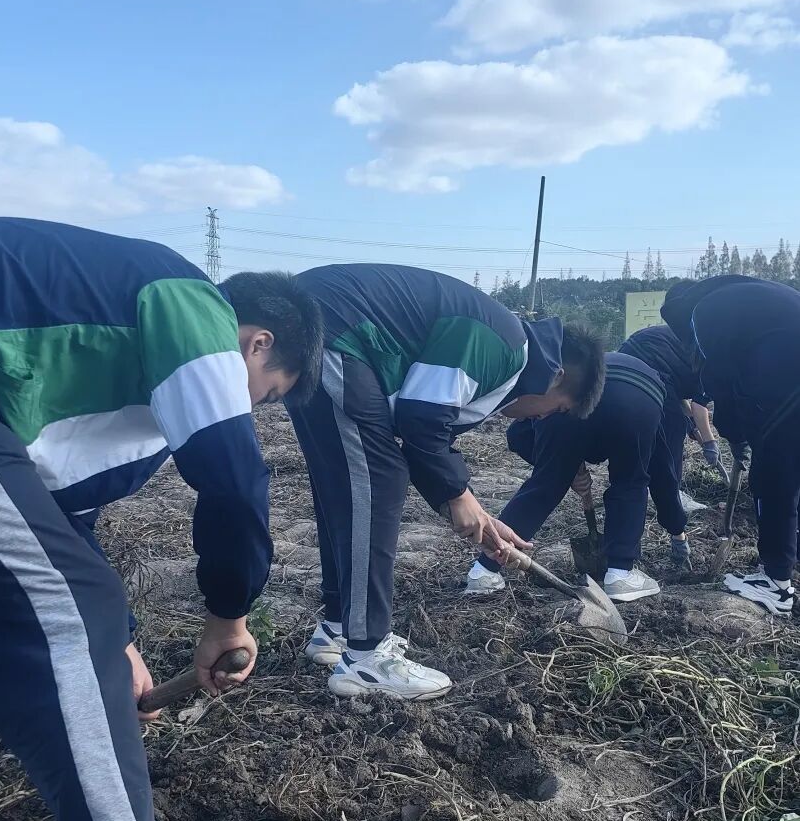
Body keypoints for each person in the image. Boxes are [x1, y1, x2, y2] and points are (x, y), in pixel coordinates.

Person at [0, 218, 323, 821]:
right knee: (73, 617)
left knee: (11, 595)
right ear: (255, 343)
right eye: (267, 393)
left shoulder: (114, 387)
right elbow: (234, 480)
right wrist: (227, 615)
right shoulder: (192, 306)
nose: (253, 408)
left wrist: (123, 640)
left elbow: (47, 517)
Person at [288, 264, 605, 699]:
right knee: (378, 479)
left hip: (324, 328)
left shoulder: (505, 356)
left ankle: (339, 628)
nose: (543, 417)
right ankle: (365, 656)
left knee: (348, 485)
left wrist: (473, 511)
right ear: (558, 376)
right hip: (334, 328)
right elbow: (421, 419)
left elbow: (424, 441)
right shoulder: (505, 344)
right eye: (559, 408)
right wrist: (458, 495)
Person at [470, 351, 674, 603]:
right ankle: (620, 574)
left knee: (545, 484)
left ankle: (484, 571)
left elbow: (519, 436)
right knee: (630, 482)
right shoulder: (652, 390)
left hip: (582, 404)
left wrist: (558, 467)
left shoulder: (564, 385)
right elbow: (662, 467)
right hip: (634, 403)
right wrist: (676, 525)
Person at [661, 275, 800, 615]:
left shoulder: (704, 312)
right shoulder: (748, 296)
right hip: (787, 379)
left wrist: (737, 437)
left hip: (789, 385)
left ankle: (775, 582)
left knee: (772, 478)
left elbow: (722, 385)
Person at [617, 322, 712, 568]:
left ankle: (629, 544)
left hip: (624, 369)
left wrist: (690, 424)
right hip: (648, 372)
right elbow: (699, 405)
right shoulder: (716, 361)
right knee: (666, 459)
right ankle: (676, 533)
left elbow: (676, 389)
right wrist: (710, 442)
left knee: (635, 461)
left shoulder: (695, 339)